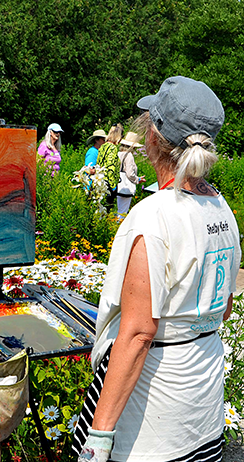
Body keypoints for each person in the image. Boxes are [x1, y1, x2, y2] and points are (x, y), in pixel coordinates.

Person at [73, 76, 241, 462]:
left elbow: (137, 335)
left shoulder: (153, 216)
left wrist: (98, 439)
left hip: (151, 424)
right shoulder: (222, 208)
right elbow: (225, 307)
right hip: (203, 409)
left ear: (152, 135)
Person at [116, 131, 146, 218]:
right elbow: (129, 173)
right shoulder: (129, 155)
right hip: (126, 186)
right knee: (123, 212)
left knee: (119, 209)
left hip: (118, 184)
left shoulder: (118, 154)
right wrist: (138, 179)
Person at [95, 124, 123, 206]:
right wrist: (113, 186)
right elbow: (110, 167)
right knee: (107, 208)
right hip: (108, 185)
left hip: (100, 181)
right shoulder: (112, 148)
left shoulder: (103, 146)